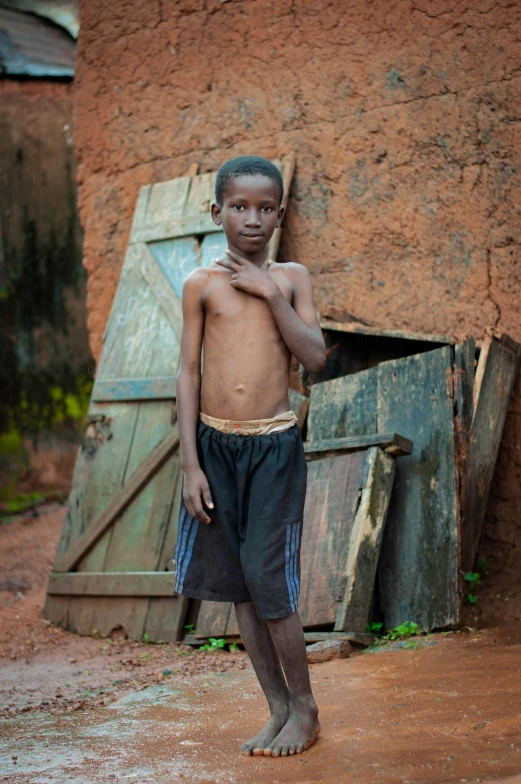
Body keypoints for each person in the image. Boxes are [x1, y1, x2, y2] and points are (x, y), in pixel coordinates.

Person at [175, 155, 326, 757]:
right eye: (240, 206)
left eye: (266, 208)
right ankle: (278, 708)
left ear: (280, 214)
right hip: (214, 448)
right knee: (239, 587)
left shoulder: (291, 278)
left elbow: (314, 358)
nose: (253, 219)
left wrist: (271, 293)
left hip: (274, 448)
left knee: (269, 580)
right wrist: (190, 463)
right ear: (218, 212)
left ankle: (307, 708)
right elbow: (187, 372)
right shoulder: (200, 285)